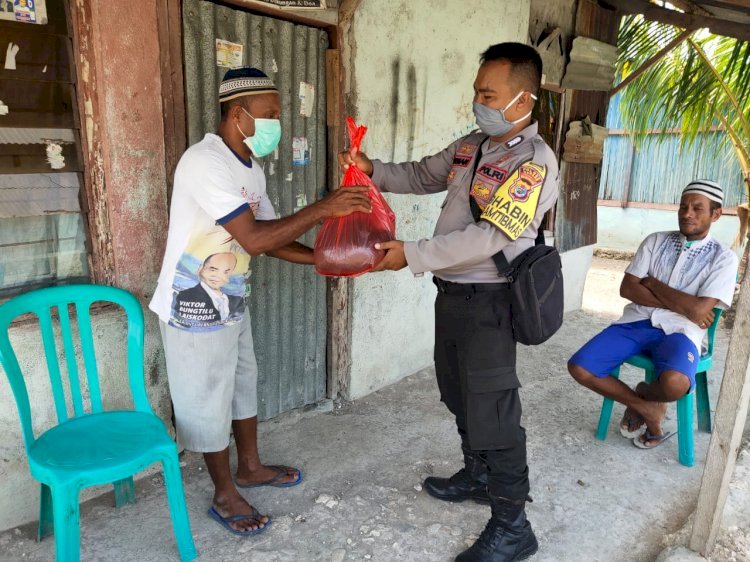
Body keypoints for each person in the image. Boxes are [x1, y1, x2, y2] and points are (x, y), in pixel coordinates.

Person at [340, 42, 559, 562]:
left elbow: (489, 237)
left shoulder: (533, 164)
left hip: (492, 300)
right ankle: (479, 474)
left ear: (523, 98)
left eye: (490, 93)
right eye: (477, 91)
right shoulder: (473, 144)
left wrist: (410, 254)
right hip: (453, 296)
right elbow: (420, 174)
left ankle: (513, 525)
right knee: (456, 390)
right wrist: (372, 168)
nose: (479, 101)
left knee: (495, 409)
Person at [149, 67, 371, 536]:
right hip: (193, 301)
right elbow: (251, 239)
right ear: (238, 114)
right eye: (269, 115)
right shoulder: (204, 161)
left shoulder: (252, 167)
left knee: (243, 380)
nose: (276, 126)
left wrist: (326, 261)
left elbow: (271, 240)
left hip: (229, 294)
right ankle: (225, 491)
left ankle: (250, 466)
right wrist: (325, 207)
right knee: (208, 398)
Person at [568, 180, 738, 449]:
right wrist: (685, 305)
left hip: (682, 331)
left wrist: (652, 283)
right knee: (580, 366)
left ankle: (644, 392)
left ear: (715, 214)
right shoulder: (656, 240)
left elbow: (697, 312)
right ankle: (647, 409)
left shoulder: (723, 258)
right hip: (636, 321)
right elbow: (627, 288)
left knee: (675, 384)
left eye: (697, 208)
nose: (687, 213)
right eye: (683, 206)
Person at [172, 252, 245, 329]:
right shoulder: (185, 296)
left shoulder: (237, 301)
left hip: (239, 325)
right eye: (212, 270)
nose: (218, 276)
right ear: (201, 268)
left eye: (225, 272)